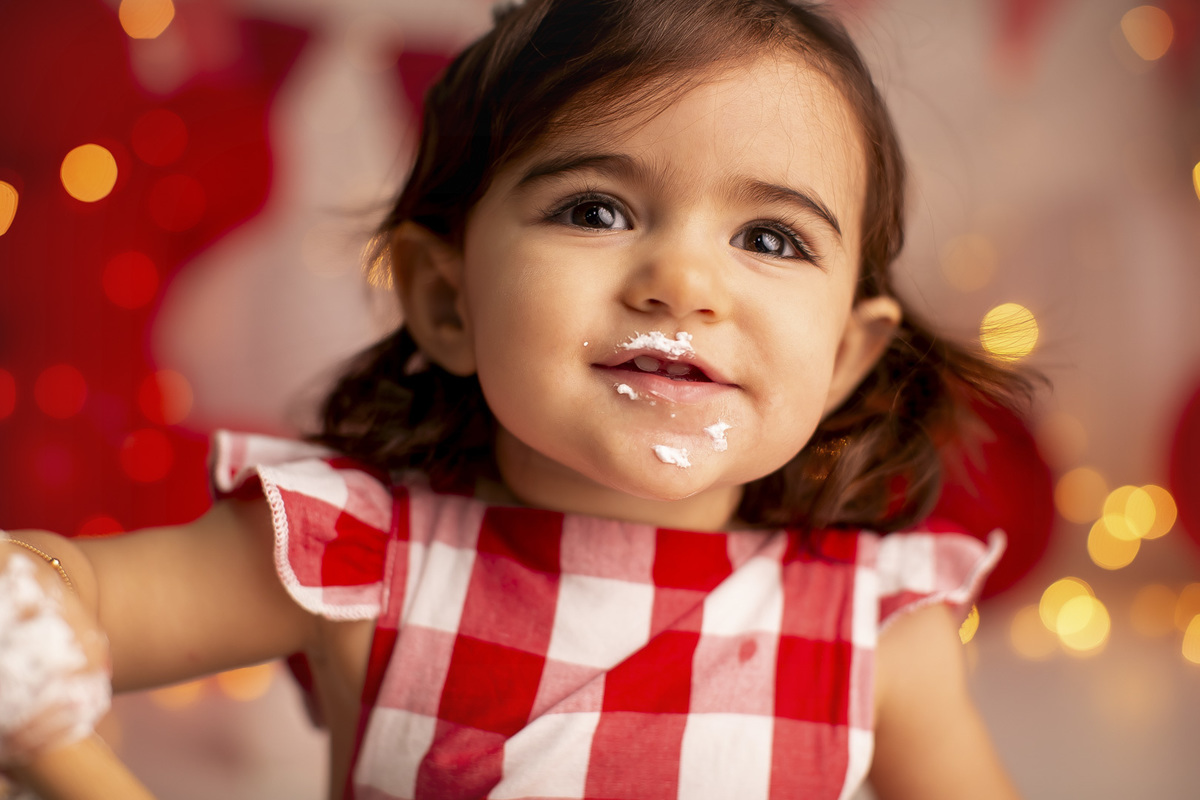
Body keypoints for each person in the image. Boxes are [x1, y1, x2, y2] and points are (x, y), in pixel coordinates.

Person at [0, 0, 1032, 797]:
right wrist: (33, 623)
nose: (684, 281)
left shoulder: (878, 629)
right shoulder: (362, 558)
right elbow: (66, 590)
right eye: (596, 209)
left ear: (848, 356)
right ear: (448, 299)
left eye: (771, 238)